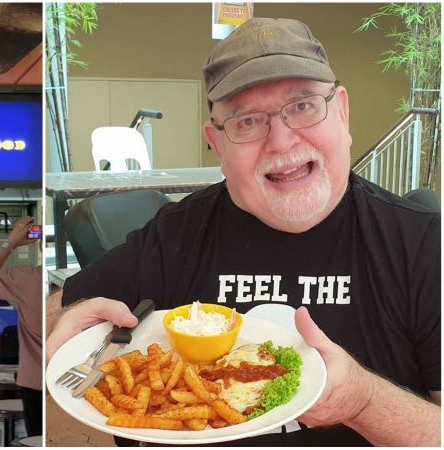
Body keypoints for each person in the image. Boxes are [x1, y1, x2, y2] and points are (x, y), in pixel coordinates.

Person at [46, 17, 440, 447]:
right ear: (216, 144)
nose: (281, 141)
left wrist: (364, 403)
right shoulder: (176, 232)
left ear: (342, 112)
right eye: (247, 121)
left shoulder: (424, 245)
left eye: (303, 105)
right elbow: (62, 309)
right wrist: (64, 318)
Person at [0, 216, 43, 438]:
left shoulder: (27, 279)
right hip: (73, 377)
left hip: (35, 382)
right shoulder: (88, 276)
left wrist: (11, 244)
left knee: (37, 439)